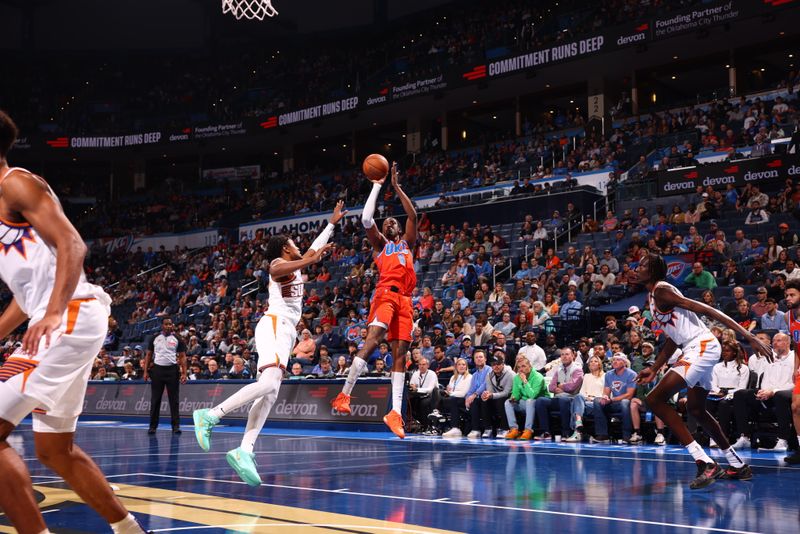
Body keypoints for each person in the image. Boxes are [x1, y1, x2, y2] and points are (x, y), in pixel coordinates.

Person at [0, 111, 146, 534]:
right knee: (54, 450)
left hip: (72, 315)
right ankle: (131, 531)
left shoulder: (15, 183)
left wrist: (52, 311)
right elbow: (26, 300)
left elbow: (72, 243)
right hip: (69, 320)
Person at [192, 201, 344, 486]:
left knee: (270, 393)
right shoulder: (277, 263)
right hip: (274, 324)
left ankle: (244, 450)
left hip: (285, 332)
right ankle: (210, 415)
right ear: (285, 247)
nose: (299, 245)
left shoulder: (297, 263)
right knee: (268, 384)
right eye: (293, 243)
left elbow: (312, 249)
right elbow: (278, 270)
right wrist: (311, 259)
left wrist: (332, 224)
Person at [635, 252, 772, 489]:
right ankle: (737, 464)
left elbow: (707, 310)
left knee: (655, 399)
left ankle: (704, 462)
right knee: (696, 409)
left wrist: (748, 335)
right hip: (697, 347)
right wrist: (655, 367)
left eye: (643, 265)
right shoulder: (652, 296)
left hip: (701, 346)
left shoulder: (661, 290)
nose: (638, 268)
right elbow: (673, 338)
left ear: (654, 270)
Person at [332, 163, 417, 439]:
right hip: (386, 295)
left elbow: (413, 215)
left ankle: (394, 413)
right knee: (373, 340)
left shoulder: (407, 244)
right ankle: (344, 394)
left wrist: (397, 187)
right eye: (387, 221)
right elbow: (367, 220)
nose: (390, 222)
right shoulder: (381, 246)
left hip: (406, 301)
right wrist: (378, 186)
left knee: (400, 355)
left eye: (393, 221)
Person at [144, 318, 187, 434]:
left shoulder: (178, 339)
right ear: (162, 325)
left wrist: (184, 373)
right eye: (166, 324)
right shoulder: (154, 338)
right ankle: (152, 427)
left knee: (174, 400)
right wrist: (145, 371)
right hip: (157, 371)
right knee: (155, 400)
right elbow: (148, 355)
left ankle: (175, 426)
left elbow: (182, 356)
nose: (168, 326)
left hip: (172, 371)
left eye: (170, 324)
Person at [534, 347, 583, 440]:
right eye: (562, 354)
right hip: (558, 398)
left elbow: (572, 387)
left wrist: (560, 386)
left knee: (563, 400)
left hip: (571, 399)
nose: (564, 357)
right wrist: (563, 387)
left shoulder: (577, 369)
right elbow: (551, 387)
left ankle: (566, 433)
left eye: (567, 354)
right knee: (541, 401)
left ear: (573, 356)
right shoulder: (558, 369)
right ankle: (546, 432)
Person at [591, 353, 637, 444]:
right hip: (614, 402)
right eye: (614, 360)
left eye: (618, 360)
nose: (615, 362)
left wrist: (611, 399)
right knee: (597, 401)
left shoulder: (632, 374)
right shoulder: (609, 374)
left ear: (624, 363)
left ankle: (627, 435)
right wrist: (605, 397)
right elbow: (606, 392)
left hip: (627, 403)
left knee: (625, 402)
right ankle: (603, 434)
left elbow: (629, 395)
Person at [563, 355, 606, 442]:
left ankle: (576, 432)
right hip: (585, 402)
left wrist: (593, 398)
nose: (593, 363)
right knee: (578, 397)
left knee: (574, 405)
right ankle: (579, 423)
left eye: (595, 361)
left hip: (597, 403)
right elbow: (582, 393)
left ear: (599, 364)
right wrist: (586, 398)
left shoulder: (605, 376)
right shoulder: (586, 376)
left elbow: (606, 394)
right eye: (591, 361)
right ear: (589, 365)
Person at [503, 358, 547, 440]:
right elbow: (516, 394)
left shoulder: (538, 377)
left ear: (530, 366)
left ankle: (528, 430)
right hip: (525, 403)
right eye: (519, 367)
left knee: (530, 401)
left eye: (523, 366)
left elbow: (533, 395)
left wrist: (525, 382)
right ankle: (514, 429)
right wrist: (513, 398)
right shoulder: (517, 378)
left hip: (539, 403)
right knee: (508, 402)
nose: (521, 369)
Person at [784, 279, 800, 464]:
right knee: (796, 407)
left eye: (792, 294)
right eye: (787, 295)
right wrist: (795, 367)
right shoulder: (787, 317)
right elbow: (797, 345)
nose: (788, 298)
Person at [440, 358, 473, 438]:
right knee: (440, 396)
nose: (461, 366)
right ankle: (437, 420)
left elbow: (463, 393)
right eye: (459, 364)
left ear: (466, 367)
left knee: (452, 400)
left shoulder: (469, 377)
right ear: (456, 367)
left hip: (464, 401)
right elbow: (450, 389)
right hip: (453, 398)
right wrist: (449, 392)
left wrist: (450, 393)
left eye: (463, 364)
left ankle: (455, 428)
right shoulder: (453, 377)